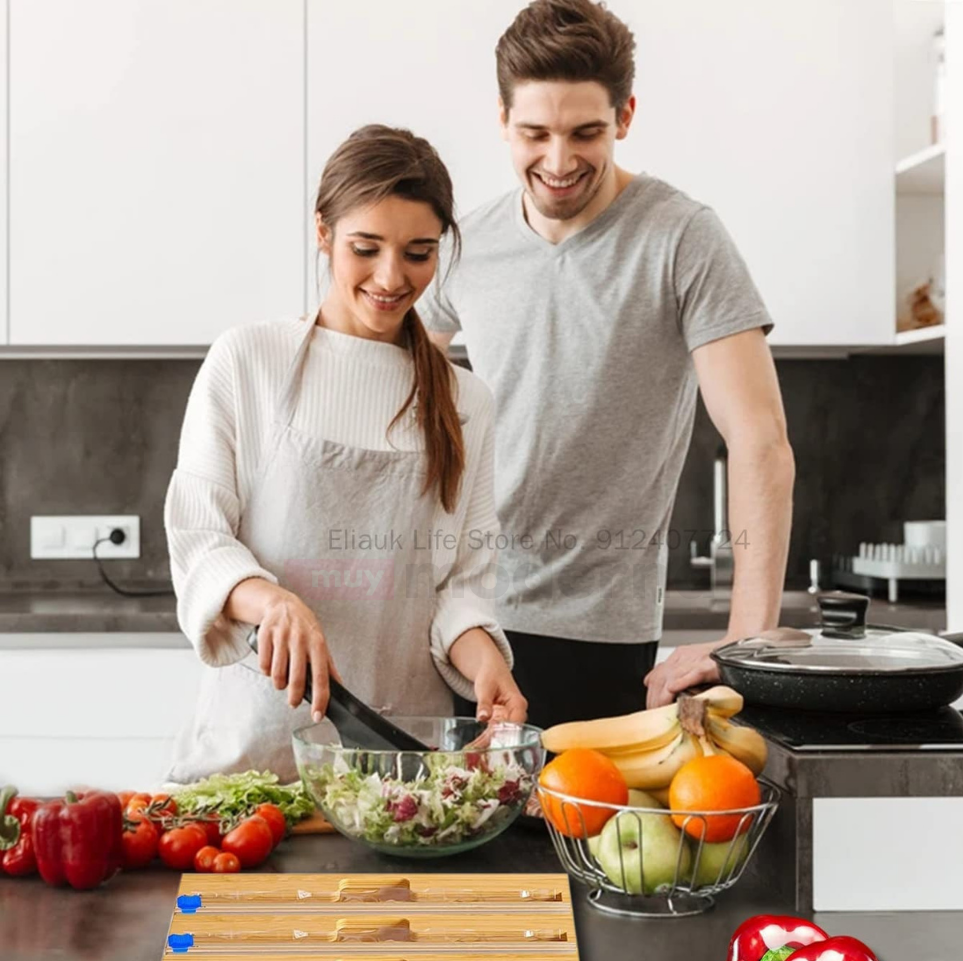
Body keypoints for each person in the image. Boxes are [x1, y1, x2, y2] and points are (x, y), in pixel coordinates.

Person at [420, 0, 794, 726]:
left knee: (588, 840)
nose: (558, 162)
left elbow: (761, 443)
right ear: (502, 120)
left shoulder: (682, 236)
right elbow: (391, 407)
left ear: (624, 116)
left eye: (585, 132)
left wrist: (744, 643)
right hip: (463, 622)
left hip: (601, 633)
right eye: (535, 133)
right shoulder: (464, 245)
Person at [163, 125, 526, 784]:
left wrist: (485, 664)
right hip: (257, 762)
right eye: (367, 248)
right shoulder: (248, 361)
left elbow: (459, 591)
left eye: (419, 253)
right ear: (323, 232)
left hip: (396, 770)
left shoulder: (465, 401)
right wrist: (271, 601)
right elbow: (198, 537)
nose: (392, 278)